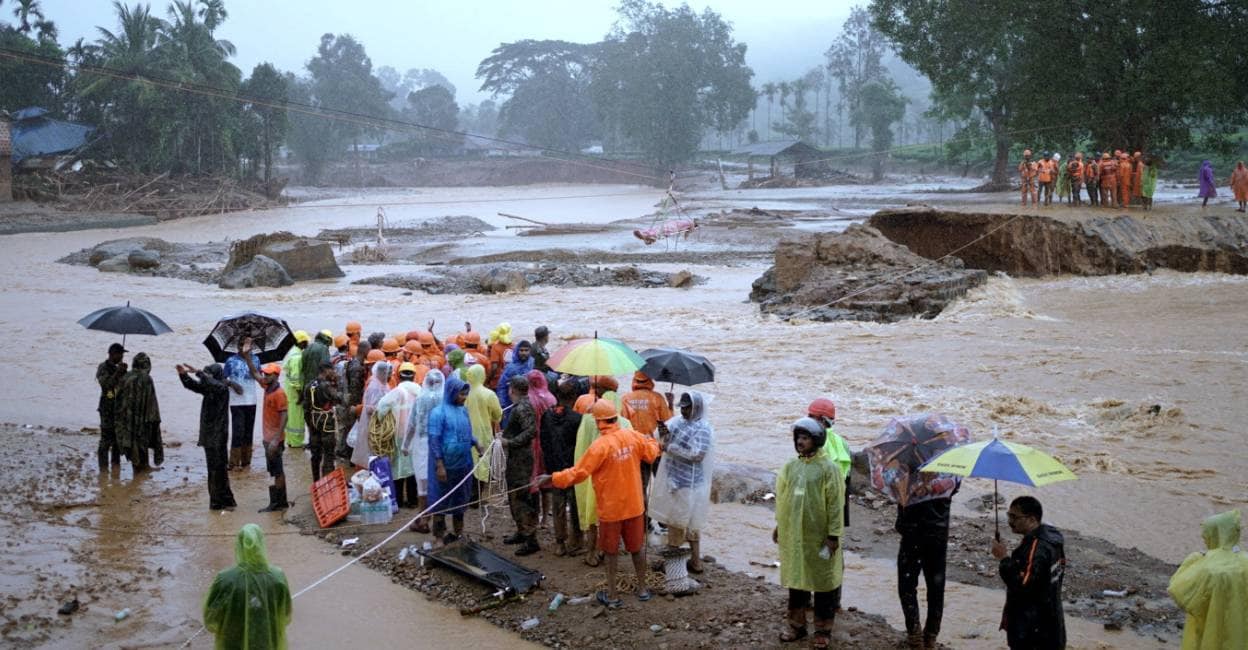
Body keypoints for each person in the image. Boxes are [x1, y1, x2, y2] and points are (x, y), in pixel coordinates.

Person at [538, 399, 660, 608]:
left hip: (611, 510)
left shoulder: (600, 446)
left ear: (598, 422)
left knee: (611, 552)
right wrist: (655, 442)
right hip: (634, 506)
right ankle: (642, 589)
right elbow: (650, 454)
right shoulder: (632, 436)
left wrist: (552, 478)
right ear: (616, 417)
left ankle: (613, 595)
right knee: (637, 548)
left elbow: (579, 473)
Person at [774, 418, 844, 649]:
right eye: (798, 438)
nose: (800, 442)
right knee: (797, 580)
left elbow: (835, 504)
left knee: (823, 583)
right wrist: (779, 525)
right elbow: (783, 499)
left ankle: (823, 629)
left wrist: (833, 535)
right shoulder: (790, 466)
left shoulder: (828, 469)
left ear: (816, 441)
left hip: (820, 537)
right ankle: (796, 625)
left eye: (805, 438)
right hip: (795, 535)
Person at [650, 392, 714, 594]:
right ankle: (684, 560)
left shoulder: (704, 429)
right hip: (675, 480)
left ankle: (689, 562)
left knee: (688, 523)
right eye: (682, 407)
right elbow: (661, 440)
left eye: (687, 407)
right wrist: (664, 434)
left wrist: (671, 446)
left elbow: (697, 455)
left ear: (696, 408)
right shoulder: (677, 422)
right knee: (675, 522)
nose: (683, 411)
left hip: (692, 483)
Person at [896, 463, 961, 649]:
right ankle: (927, 635)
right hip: (936, 534)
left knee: (908, 584)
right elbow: (953, 488)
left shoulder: (905, 467)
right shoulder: (950, 467)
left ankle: (917, 634)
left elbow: (896, 492)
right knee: (935, 586)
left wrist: (923, 484)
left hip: (914, 534)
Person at [991, 496, 1066, 650]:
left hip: (1033, 630)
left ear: (1032, 519)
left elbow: (1023, 585)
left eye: (1014, 517)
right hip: (1052, 623)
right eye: (1008, 515)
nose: (1010, 521)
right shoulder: (1051, 540)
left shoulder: (1036, 548)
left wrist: (1004, 559)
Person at [203, 524, 292, 649]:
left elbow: (211, 618)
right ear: (262, 544)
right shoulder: (277, 577)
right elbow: (286, 614)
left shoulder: (225, 578)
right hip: (267, 641)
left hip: (232, 642)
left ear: (238, 545)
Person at [1168, 510, 1248, 650]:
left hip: (1210, 632)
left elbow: (1177, 591)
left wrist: (1191, 561)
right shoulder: (1245, 560)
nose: (1203, 538)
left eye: (1206, 535)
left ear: (1214, 534)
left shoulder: (1206, 566)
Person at [427, 374, 482, 544]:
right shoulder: (438, 413)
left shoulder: (463, 411)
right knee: (440, 501)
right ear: (451, 392)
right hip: (444, 465)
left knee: (460, 500)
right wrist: (439, 464)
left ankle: (458, 534)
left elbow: (465, 432)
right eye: (461, 394)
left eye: (466, 394)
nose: (464, 398)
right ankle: (438, 536)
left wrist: (476, 442)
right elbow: (434, 439)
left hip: (463, 464)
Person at [178, 362, 237, 511]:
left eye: (209, 375)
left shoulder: (222, 388)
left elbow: (212, 383)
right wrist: (183, 376)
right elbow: (193, 386)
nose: (206, 378)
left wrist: (198, 372)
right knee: (215, 469)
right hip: (209, 436)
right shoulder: (210, 388)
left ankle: (219, 502)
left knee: (218, 469)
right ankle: (222, 501)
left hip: (218, 435)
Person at [539, 378, 584, 556]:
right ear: (574, 396)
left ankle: (560, 543)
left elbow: (544, 441)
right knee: (574, 506)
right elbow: (580, 445)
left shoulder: (547, 415)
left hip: (554, 467)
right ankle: (576, 540)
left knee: (558, 505)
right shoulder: (577, 419)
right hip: (572, 467)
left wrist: (549, 466)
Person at [501, 376, 540, 555]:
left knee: (522, 496)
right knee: (514, 495)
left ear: (513, 390)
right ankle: (521, 531)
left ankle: (531, 538)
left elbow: (532, 431)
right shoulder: (520, 406)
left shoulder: (523, 407)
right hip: (517, 457)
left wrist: (510, 442)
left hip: (521, 458)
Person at [402, 369, 443, 533]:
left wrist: (405, 445)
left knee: (423, 484)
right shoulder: (444, 400)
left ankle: (423, 519)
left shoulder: (420, 399)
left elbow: (411, 424)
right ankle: (435, 521)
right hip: (440, 446)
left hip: (421, 445)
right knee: (438, 483)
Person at [377, 363, 421, 507]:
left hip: (399, 434)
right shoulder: (420, 390)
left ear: (398, 375)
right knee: (413, 467)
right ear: (414, 376)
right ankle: (413, 501)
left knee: (398, 467)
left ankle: (400, 501)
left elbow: (381, 408)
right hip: (416, 434)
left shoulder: (397, 391)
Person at [808, 398, 852, 528]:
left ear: (822, 420)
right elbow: (846, 475)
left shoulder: (813, 441)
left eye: (811, 416)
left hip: (820, 498)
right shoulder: (842, 441)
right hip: (838, 497)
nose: (807, 419)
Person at [115, 352, 162, 473]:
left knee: (132, 440)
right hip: (143, 417)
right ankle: (142, 467)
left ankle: (139, 466)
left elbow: (117, 396)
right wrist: (154, 418)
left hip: (128, 417)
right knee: (142, 439)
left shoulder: (126, 377)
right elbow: (152, 401)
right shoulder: (147, 379)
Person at [224, 342, 261, 471]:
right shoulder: (230, 361)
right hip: (236, 402)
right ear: (238, 347)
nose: (245, 348)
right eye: (242, 345)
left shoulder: (255, 359)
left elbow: (259, 377)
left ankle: (246, 462)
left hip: (251, 401)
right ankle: (233, 462)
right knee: (237, 431)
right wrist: (232, 384)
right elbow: (222, 379)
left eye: (249, 345)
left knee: (248, 432)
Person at [257, 363, 289, 512]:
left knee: (278, 471)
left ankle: (278, 503)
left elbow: (285, 416)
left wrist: (276, 440)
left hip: (274, 439)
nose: (265, 376)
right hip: (269, 438)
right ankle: (280, 502)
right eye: (264, 374)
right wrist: (247, 357)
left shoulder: (279, 393)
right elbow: (255, 375)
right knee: (275, 471)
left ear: (276, 376)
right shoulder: (267, 387)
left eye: (268, 374)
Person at [465, 364, 502, 488]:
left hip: (466, 432)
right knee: (483, 461)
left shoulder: (463, 393)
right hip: (483, 432)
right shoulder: (489, 394)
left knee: (469, 461)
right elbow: (497, 414)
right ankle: (479, 494)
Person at [349, 361, 391, 469]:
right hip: (371, 423)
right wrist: (382, 408)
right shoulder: (374, 386)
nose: (386, 375)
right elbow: (368, 408)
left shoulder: (384, 384)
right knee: (369, 449)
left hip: (380, 423)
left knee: (377, 449)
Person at [305, 362, 341, 482]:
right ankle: (327, 484)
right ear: (326, 371)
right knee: (329, 454)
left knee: (315, 454)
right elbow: (339, 398)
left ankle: (316, 481)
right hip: (326, 422)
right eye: (332, 370)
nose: (333, 372)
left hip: (313, 421)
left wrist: (310, 425)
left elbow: (305, 406)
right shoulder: (326, 386)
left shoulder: (309, 385)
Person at [96, 343, 127, 471]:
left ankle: (116, 465)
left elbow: (124, 387)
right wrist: (118, 373)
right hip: (107, 408)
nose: (122, 357)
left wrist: (124, 373)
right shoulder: (103, 367)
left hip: (119, 409)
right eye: (120, 354)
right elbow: (106, 385)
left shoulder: (118, 368)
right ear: (113, 354)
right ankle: (103, 468)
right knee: (105, 439)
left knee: (117, 440)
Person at [281, 331, 309, 448]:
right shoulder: (297, 357)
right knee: (297, 418)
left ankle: (290, 440)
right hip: (295, 392)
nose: (308, 343)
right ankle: (296, 442)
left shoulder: (292, 353)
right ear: (302, 342)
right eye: (306, 341)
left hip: (289, 390)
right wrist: (300, 394)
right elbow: (295, 378)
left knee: (291, 416)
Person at [495, 340, 533, 425]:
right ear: (517, 351)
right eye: (521, 350)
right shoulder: (510, 368)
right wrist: (502, 403)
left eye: (526, 350)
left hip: (528, 401)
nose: (524, 353)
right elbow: (502, 386)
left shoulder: (532, 363)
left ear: (530, 351)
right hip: (511, 403)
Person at [486, 323, 514, 389]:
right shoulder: (514, 346)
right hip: (511, 381)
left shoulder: (495, 347)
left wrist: (487, 381)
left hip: (497, 382)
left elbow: (494, 367)